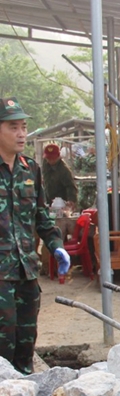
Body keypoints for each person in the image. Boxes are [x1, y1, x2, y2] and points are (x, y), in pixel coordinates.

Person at [0, 97, 69, 374]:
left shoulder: (31, 169)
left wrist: (56, 246)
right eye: (13, 127)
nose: (21, 134)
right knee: (3, 344)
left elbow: (41, 215)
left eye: (23, 126)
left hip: (27, 272)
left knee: (26, 344)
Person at [41, 143, 78, 211]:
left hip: (61, 202)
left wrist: (71, 200)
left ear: (58, 157)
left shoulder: (64, 170)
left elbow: (70, 186)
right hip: (47, 199)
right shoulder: (45, 164)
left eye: (53, 158)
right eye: (48, 158)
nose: (50, 161)